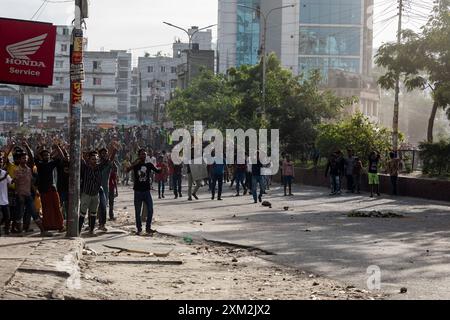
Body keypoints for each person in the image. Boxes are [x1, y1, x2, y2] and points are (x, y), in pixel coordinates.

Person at [13, 151, 48, 236]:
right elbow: (16, 183)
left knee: (34, 212)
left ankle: (42, 231)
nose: (24, 160)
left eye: (25, 158)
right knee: (20, 214)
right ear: (20, 159)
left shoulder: (29, 169)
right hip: (21, 194)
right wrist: (18, 194)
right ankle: (20, 232)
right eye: (23, 158)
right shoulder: (17, 170)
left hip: (28, 194)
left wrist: (35, 191)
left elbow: (31, 182)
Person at [127, 149, 161, 235]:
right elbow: (127, 170)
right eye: (142, 154)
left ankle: (148, 227)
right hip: (138, 191)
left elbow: (157, 171)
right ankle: (139, 229)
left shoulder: (149, 165)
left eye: (145, 154)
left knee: (150, 210)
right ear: (139, 155)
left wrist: (163, 167)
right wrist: (134, 163)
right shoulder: (136, 165)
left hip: (146, 191)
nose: (144, 156)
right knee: (137, 212)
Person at [34, 144, 66, 232]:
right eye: (44, 155)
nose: (46, 156)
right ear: (42, 156)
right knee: (46, 209)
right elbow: (35, 155)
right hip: (43, 190)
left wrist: (58, 148)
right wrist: (41, 146)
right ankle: (47, 226)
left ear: (49, 156)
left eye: (47, 155)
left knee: (56, 207)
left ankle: (60, 226)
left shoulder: (51, 163)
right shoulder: (39, 164)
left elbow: (62, 157)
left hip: (52, 188)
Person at [79, 151, 108, 236]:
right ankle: (78, 231)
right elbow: (80, 159)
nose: (94, 161)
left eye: (96, 159)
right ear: (89, 160)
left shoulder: (99, 168)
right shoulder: (85, 168)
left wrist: (113, 150)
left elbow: (107, 161)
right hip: (86, 194)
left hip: (95, 194)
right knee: (82, 213)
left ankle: (91, 230)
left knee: (93, 213)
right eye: (93, 159)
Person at [97, 144, 118, 232]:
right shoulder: (97, 164)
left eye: (105, 153)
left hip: (105, 189)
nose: (104, 155)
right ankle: (95, 224)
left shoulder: (108, 165)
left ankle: (102, 224)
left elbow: (111, 160)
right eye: (102, 153)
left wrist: (114, 151)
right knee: (95, 207)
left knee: (103, 207)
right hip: (95, 188)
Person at [0, 156, 12, 236]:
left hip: (4, 200)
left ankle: (7, 230)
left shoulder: (5, 172)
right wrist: (4, 177)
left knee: (7, 217)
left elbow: (11, 182)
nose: (0, 162)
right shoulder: (4, 174)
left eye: (1, 161)